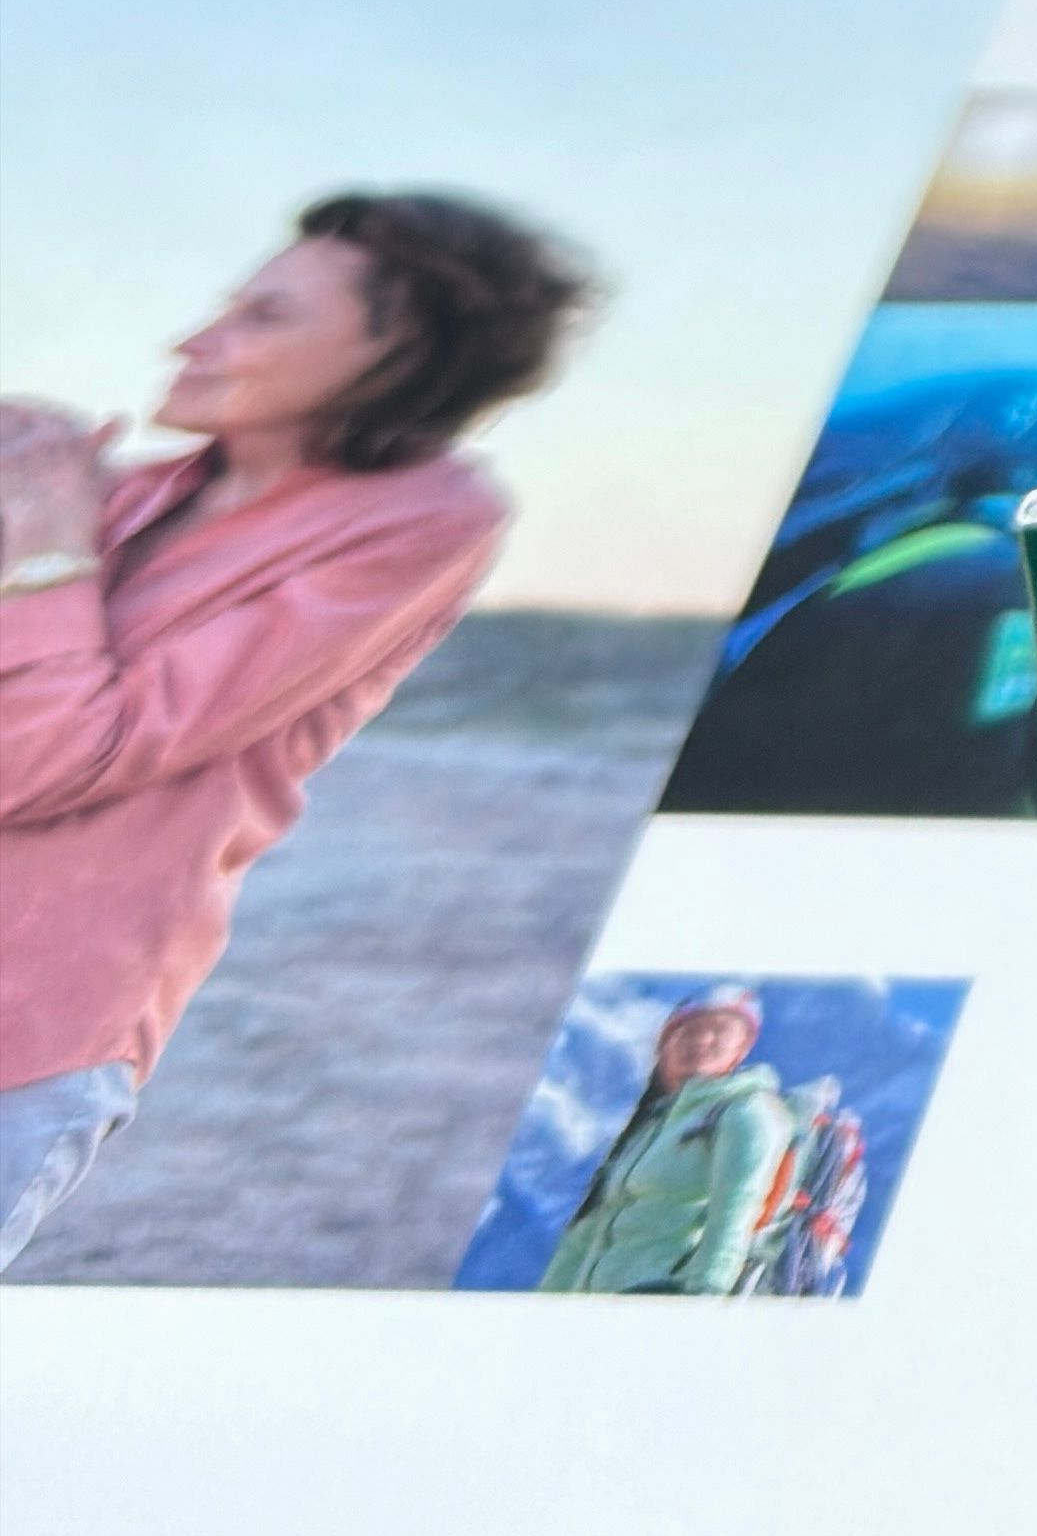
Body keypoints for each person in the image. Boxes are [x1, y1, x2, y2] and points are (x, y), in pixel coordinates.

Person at [0, 190, 599, 1273]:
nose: (194, 340)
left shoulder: (423, 521)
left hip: (28, 1028)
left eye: (263, 317)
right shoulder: (122, 495)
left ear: (408, 355)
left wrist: (41, 544)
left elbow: (50, 756)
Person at [536, 993, 803, 1295]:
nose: (700, 1039)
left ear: (741, 1048)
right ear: (665, 1047)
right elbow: (590, 1231)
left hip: (663, 1292)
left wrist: (706, 1294)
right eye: (687, 1031)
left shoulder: (746, 1112)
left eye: (718, 1029)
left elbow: (736, 1211)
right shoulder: (649, 1128)